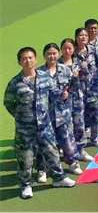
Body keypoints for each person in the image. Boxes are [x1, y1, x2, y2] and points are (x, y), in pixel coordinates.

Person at [4, 47, 76, 199]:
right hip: (25, 128)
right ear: (19, 62)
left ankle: (58, 178)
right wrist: (20, 116)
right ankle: (25, 185)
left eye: (30, 57)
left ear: (36, 59)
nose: (28, 61)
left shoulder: (44, 77)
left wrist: (62, 95)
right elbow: (8, 103)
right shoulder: (15, 83)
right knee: (26, 157)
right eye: (24, 58)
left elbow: (53, 93)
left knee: (52, 152)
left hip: (44, 124)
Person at [37, 43, 82, 176]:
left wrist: (75, 79)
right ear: (44, 55)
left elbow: (74, 88)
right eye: (49, 54)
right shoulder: (39, 73)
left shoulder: (66, 70)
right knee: (45, 143)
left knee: (67, 140)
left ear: (58, 54)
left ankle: (73, 163)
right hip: (46, 115)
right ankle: (43, 168)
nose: (52, 56)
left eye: (54, 53)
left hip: (63, 113)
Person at [58, 39, 93, 163]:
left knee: (79, 124)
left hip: (77, 97)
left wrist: (83, 70)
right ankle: (66, 152)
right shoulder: (57, 65)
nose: (67, 51)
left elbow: (87, 77)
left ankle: (80, 150)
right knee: (64, 127)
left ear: (74, 49)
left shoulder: (78, 62)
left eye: (70, 48)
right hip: (63, 100)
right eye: (65, 48)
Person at [74, 27, 98, 148]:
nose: (84, 37)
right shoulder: (72, 52)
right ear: (76, 38)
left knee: (95, 116)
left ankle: (95, 138)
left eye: (85, 35)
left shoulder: (92, 49)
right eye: (81, 35)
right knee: (79, 119)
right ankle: (80, 142)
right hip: (78, 91)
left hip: (93, 88)